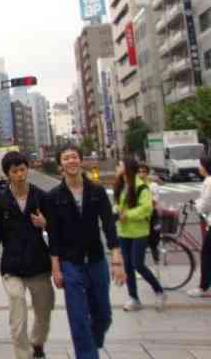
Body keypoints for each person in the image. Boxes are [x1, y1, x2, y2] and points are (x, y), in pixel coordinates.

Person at [47, 145, 126, 359]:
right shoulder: (54, 196)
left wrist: (117, 259)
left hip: (96, 260)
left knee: (104, 314)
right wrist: (56, 268)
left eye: (74, 157)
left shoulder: (97, 191)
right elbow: (53, 234)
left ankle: (93, 342)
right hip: (70, 263)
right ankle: (88, 354)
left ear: (80, 161)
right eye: (66, 158)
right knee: (78, 318)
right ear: (60, 165)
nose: (71, 161)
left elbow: (109, 225)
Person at [0, 151, 54, 359]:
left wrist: (45, 224)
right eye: (15, 171)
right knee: (18, 312)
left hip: (39, 263)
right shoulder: (0, 202)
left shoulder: (41, 197)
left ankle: (38, 342)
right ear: (8, 174)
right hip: (12, 265)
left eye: (23, 169)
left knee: (44, 310)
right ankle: (23, 354)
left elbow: (58, 229)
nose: (20, 174)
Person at [113, 157, 166, 311]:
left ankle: (159, 291)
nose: (117, 167)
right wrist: (116, 211)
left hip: (139, 232)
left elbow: (146, 209)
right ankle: (134, 298)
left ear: (127, 168)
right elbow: (117, 204)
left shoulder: (141, 187)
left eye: (120, 165)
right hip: (123, 232)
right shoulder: (121, 185)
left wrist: (127, 215)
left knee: (138, 264)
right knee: (128, 266)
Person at [188, 154, 211, 298]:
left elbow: (205, 203)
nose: (199, 167)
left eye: (200, 164)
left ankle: (203, 287)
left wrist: (195, 205)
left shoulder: (209, 181)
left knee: (206, 254)